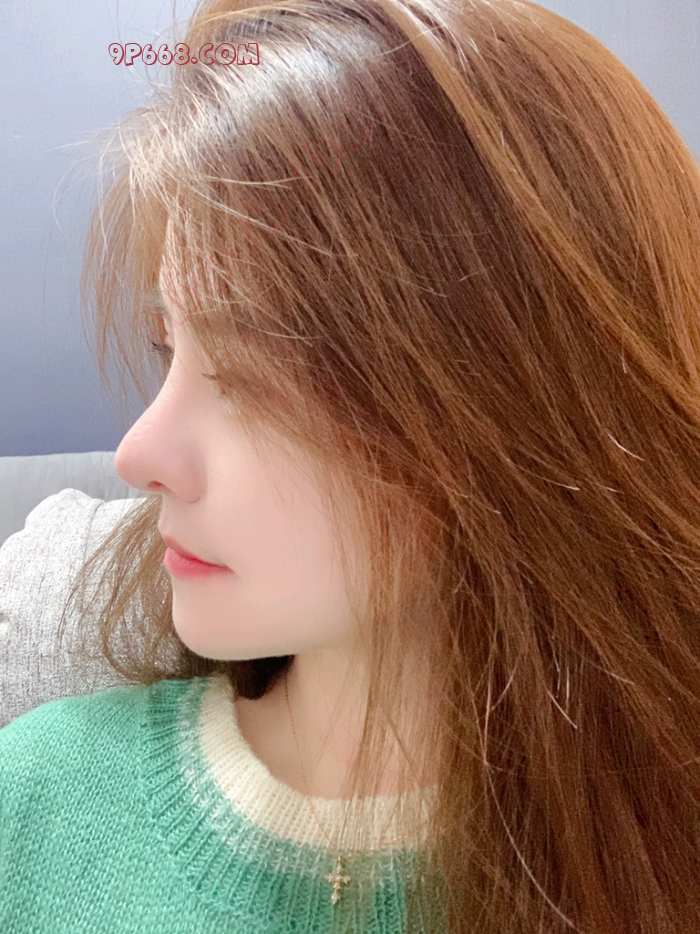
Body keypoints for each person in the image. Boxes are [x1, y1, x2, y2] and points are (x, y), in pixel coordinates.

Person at [2, 0, 700, 930]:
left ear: (514, 413)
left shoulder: (659, 850)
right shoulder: (41, 800)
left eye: (253, 379)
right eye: (168, 351)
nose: (139, 454)